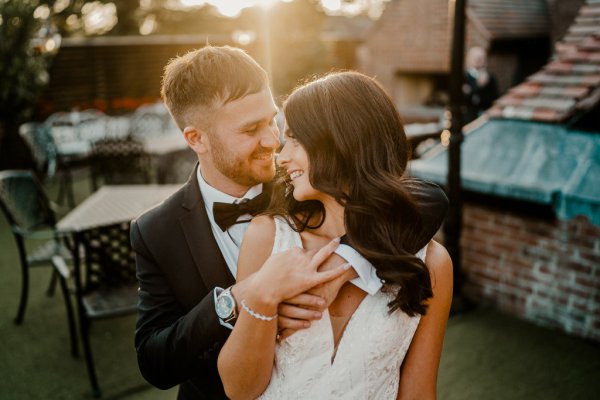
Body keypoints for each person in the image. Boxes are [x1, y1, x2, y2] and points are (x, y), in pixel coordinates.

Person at [131, 47, 449, 399]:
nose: (273, 141)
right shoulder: (156, 232)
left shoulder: (305, 187)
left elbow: (417, 196)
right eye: (252, 129)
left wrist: (346, 260)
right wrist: (241, 299)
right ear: (196, 138)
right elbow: (154, 360)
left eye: (272, 120)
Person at [218, 71, 453, 399]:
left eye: (296, 140)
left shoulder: (431, 262)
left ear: (344, 142)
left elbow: (419, 392)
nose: (282, 157)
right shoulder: (268, 236)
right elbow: (239, 390)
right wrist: (261, 295)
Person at [463, 46, 499, 123]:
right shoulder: (463, 77)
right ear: (468, 59)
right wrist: (478, 85)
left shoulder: (490, 77)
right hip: (467, 118)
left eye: (481, 57)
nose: (478, 60)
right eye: (475, 57)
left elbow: (494, 98)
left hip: (485, 117)